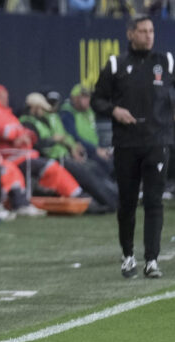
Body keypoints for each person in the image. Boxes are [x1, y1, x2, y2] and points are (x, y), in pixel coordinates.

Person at [91, 15, 173, 278]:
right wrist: (114, 110)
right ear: (130, 34)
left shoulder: (166, 62)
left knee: (153, 202)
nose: (149, 35)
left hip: (157, 141)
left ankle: (152, 260)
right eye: (143, 31)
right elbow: (97, 99)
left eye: (151, 31)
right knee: (127, 203)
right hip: (126, 143)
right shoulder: (116, 64)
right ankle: (128, 255)